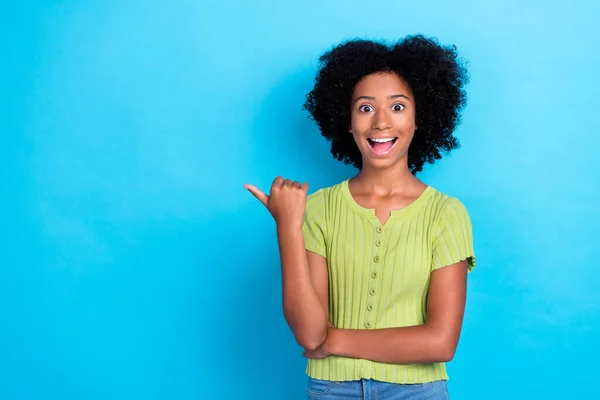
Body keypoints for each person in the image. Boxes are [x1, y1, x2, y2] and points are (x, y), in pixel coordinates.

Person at [245, 34, 475, 399]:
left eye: (398, 107)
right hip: (331, 390)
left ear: (421, 118)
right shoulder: (318, 208)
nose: (381, 122)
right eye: (365, 108)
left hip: (418, 392)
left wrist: (334, 339)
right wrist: (288, 226)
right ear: (347, 121)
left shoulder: (446, 214)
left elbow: (441, 343)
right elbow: (309, 334)